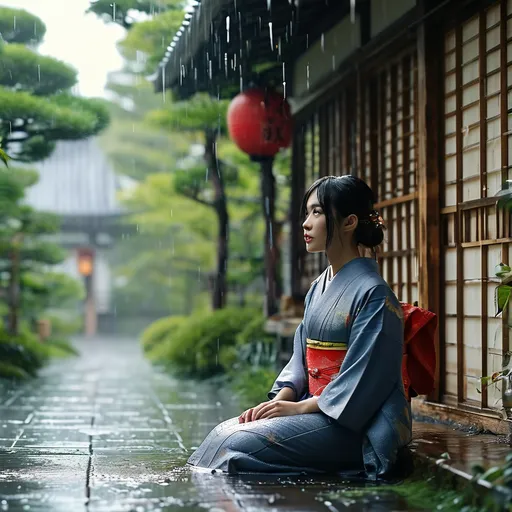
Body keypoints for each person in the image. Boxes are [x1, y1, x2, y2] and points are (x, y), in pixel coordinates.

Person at [187, 175, 412, 479]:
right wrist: (282, 399)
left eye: (317, 213)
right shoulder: (318, 287)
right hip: (316, 409)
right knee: (220, 434)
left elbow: (365, 381)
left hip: (354, 423)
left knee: (236, 444)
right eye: (307, 213)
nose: (306, 223)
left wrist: (298, 409)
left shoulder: (374, 294)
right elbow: (300, 361)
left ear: (349, 222)